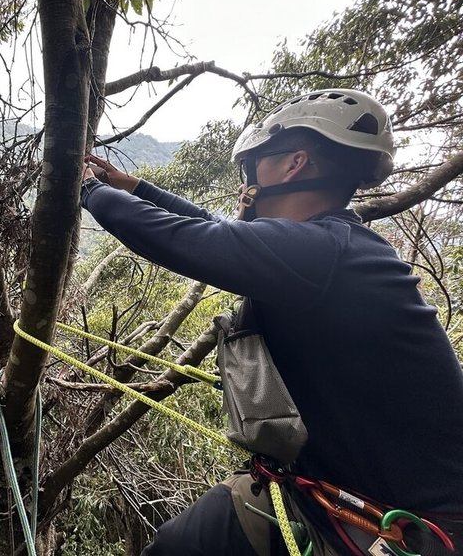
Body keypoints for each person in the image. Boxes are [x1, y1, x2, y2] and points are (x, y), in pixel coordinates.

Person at [80, 88, 463, 556]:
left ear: (294, 164)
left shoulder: (325, 253)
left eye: (254, 163)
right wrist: (135, 189)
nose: (248, 179)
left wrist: (86, 189)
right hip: (344, 497)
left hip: (411, 528)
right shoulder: (328, 248)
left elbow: (193, 241)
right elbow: (219, 230)